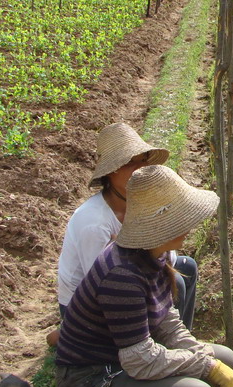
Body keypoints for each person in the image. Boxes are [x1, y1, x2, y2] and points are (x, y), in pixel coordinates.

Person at [55, 165, 233, 387]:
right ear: (160, 223)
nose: (189, 225)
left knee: (225, 358)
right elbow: (139, 360)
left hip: (120, 364)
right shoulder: (122, 275)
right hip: (91, 386)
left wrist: (205, 359)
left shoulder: (154, 253)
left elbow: (167, 319)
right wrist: (206, 366)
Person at [57, 123, 199, 330]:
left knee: (187, 267)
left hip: (130, 275)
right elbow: (101, 287)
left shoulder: (141, 203)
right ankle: (159, 346)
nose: (141, 169)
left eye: (143, 160)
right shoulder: (94, 223)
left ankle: (181, 338)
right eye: (131, 163)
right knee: (174, 281)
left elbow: (169, 257)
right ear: (112, 170)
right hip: (83, 306)